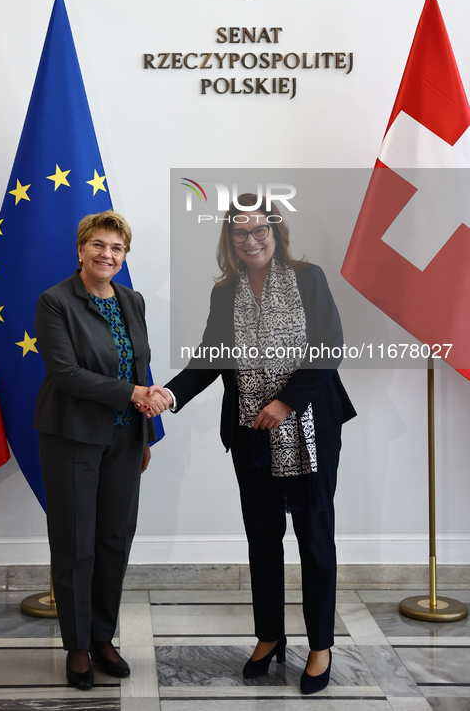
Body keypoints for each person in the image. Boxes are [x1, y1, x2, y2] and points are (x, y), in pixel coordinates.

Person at [146, 194, 356, 695]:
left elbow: (331, 345)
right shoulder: (226, 293)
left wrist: (286, 402)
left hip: (312, 429)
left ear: (276, 233)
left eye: (260, 229)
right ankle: (269, 637)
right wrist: (170, 394)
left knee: (313, 536)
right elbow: (209, 359)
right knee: (262, 538)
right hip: (251, 434)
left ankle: (320, 645)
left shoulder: (310, 278)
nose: (251, 239)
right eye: (240, 232)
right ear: (230, 241)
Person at [34, 210, 167, 691]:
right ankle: (77, 646)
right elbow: (66, 373)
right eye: (99, 245)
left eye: (116, 248)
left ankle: (103, 637)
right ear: (80, 250)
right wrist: (132, 395)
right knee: (75, 543)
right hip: (71, 436)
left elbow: (141, 366)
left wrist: (145, 435)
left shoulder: (132, 300)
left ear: (124, 255)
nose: (107, 255)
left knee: (115, 538)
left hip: (125, 439)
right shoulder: (55, 302)